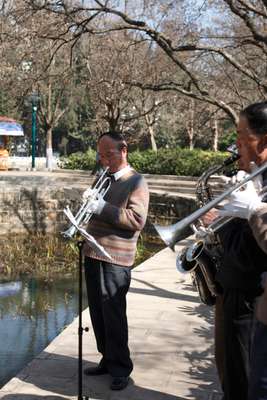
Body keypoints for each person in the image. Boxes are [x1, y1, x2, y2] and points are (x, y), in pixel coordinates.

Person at [205, 101, 267, 400]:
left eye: (242, 137)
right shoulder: (256, 178)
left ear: (264, 141)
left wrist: (246, 213)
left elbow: (252, 252)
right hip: (232, 289)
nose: (236, 145)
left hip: (247, 298)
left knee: (242, 379)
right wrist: (220, 221)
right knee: (230, 373)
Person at [82, 131, 149, 391]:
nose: (104, 159)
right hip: (93, 252)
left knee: (113, 314)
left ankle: (121, 368)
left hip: (115, 258)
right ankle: (107, 359)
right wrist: (88, 207)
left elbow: (136, 220)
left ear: (124, 151)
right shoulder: (104, 178)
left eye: (109, 154)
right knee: (97, 312)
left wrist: (102, 208)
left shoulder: (136, 182)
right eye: (101, 155)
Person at [220, 186, 267, 400]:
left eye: (241, 148)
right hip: (232, 283)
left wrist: (253, 208)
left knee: (249, 375)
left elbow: (249, 250)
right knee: (230, 362)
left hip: (249, 287)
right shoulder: (253, 177)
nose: (236, 151)